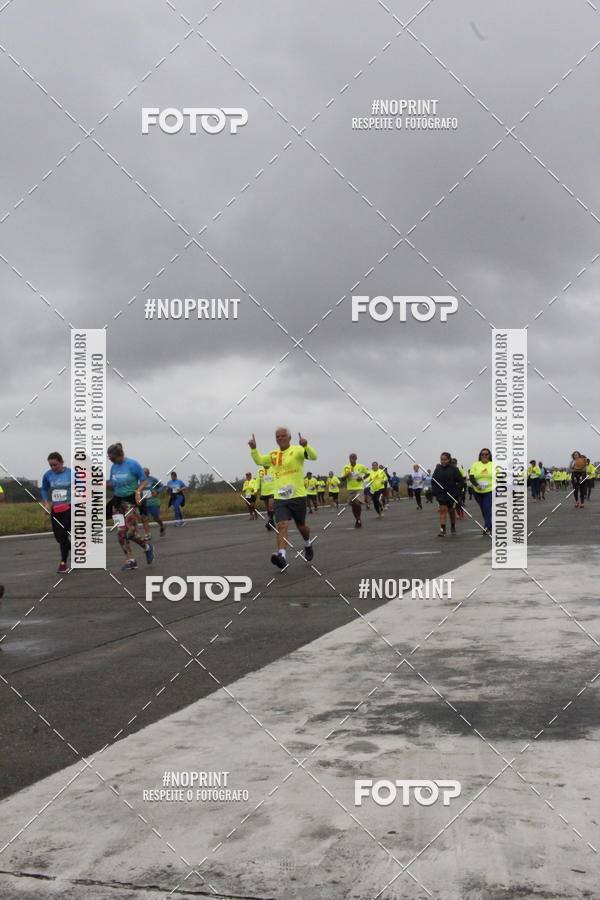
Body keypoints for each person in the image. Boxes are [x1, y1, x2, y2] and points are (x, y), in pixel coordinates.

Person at [249, 428, 316, 569]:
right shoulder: (273, 455)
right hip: (280, 497)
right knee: (282, 526)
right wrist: (254, 449)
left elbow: (313, 456)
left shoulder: (297, 450)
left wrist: (306, 445)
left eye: (283, 436)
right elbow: (259, 460)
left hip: (297, 495)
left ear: (289, 437)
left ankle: (307, 544)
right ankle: (282, 556)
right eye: (277, 436)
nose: (280, 438)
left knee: (301, 526)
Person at [107, 443, 154, 570]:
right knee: (120, 534)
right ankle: (131, 560)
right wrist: (103, 484)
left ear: (120, 455)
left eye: (112, 457)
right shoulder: (113, 467)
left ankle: (147, 547)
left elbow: (144, 480)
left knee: (129, 532)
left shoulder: (133, 464)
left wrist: (138, 491)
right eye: (109, 458)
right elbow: (112, 485)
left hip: (130, 502)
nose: (110, 460)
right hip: (117, 503)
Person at [41, 452, 72, 573]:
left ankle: (63, 564)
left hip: (70, 507)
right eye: (51, 465)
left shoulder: (71, 473)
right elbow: (44, 489)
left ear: (62, 462)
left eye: (55, 465)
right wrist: (46, 503)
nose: (53, 467)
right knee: (58, 537)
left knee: (63, 534)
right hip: (56, 508)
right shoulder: (48, 475)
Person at [431, 453, 464, 537]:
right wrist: (436, 491)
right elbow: (434, 481)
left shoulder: (454, 469)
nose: (443, 461)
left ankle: (453, 526)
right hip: (441, 493)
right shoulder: (438, 469)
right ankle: (442, 529)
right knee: (442, 509)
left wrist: (457, 492)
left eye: (445, 459)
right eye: (441, 459)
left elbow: (460, 481)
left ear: (449, 459)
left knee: (451, 511)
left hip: (452, 493)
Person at [469, 448, 495, 535]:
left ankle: (486, 526)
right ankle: (489, 525)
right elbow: (471, 477)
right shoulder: (475, 465)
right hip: (477, 491)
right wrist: (477, 485)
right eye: (482, 454)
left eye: (486, 454)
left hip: (490, 490)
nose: (484, 456)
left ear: (489, 455)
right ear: (480, 456)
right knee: (483, 509)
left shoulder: (493, 465)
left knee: (487, 508)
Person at [341, 454, 369, 527]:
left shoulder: (361, 466)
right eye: (350, 458)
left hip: (359, 487)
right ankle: (357, 519)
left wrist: (362, 478)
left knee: (357, 502)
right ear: (349, 459)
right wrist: (347, 475)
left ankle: (359, 519)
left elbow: (367, 474)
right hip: (350, 488)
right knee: (353, 505)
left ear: (356, 458)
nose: (352, 459)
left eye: (353, 458)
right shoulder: (346, 467)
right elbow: (342, 479)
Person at [140, 468, 166, 538]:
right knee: (144, 518)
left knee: (156, 518)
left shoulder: (153, 479)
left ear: (148, 473)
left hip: (153, 502)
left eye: (145, 473)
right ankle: (148, 534)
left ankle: (162, 525)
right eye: (142, 473)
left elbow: (162, 486)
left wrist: (157, 492)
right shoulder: (139, 480)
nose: (143, 475)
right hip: (144, 503)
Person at [256, 465, 275, 530]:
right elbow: (258, 481)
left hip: (272, 491)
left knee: (271, 507)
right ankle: (272, 522)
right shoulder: (260, 471)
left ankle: (270, 521)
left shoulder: (274, 469)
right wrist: (256, 489)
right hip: (264, 492)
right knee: (268, 509)